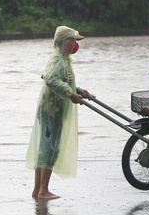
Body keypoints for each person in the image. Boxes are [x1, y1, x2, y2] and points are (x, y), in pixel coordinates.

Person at [26, 25, 93, 200]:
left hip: (52, 109)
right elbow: (50, 79)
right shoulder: (58, 60)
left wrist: (79, 91)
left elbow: (63, 81)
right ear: (65, 42)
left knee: (45, 148)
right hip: (51, 110)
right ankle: (43, 191)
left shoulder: (63, 59)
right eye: (73, 41)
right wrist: (70, 94)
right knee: (50, 149)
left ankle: (37, 190)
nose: (75, 45)